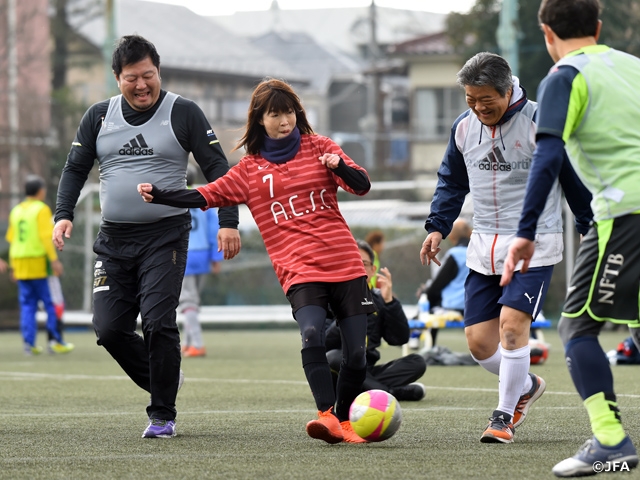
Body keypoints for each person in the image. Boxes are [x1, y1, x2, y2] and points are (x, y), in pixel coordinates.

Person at [137, 77, 374, 444]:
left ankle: (344, 420)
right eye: (276, 114)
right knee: (311, 333)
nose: (285, 121)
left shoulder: (321, 147)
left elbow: (361, 185)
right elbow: (208, 194)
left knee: (356, 355)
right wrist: (162, 195)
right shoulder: (249, 170)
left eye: (290, 112)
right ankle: (327, 416)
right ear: (260, 120)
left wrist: (338, 166)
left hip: (345, 262)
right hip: (299, 270)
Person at [52, 35, 241, 439]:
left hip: (165, 237)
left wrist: (228, 221)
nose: (142, 85)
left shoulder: (183, 112)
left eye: (149, 76)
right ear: (117, 78)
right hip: (114, 241)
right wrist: (63, 214)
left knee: (158, 322)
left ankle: (162, 414)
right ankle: (165, 377)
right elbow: (73, 169)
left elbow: (218, 169)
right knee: (109, 330)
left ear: (159, 71)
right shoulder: (99, 116)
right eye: (132, 78)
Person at [419, 51, 593, 444]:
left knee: (513, 329)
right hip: (484, 246)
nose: (478, 108)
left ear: (507, 88)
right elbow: (451, 181)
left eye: (486, 100)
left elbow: (573, 180)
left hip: (534, 243)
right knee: (480, 344)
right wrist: (437, 227)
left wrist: (588, 228)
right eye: (470, 100)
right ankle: (525, 385)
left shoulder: (539, 121)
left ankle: (503, 416)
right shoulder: (463, 127)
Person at [501, 0, 639, 474]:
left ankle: (610, 440)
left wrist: (524, 232)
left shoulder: (565, 76)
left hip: (624, 215)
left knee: (577, 326)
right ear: (599, 28)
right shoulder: (633, 67)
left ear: (546, 33)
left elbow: (549, 153)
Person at [325, 240, 427, 401]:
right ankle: (390, 393)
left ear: (372, 270)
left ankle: (369, 389)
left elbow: (399, 339)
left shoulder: (378, 300)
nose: (358, 268)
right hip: (337, 372)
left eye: (363, 263)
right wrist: (347, 312)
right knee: (333, 357)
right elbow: (323, 343)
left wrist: (390, 302)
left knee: (418, 361)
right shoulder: (329, 299)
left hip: (368, 372)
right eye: (352, 263)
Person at [6, 176, 74, 355]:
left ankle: (29, 345)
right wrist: (54, 260)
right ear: (41, 191)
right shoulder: (41, 209)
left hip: (20, 261)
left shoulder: (16, 210)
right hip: (38, 261)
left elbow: (12, 239)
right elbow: (45, 237)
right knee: (50, 302)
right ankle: (55, 341)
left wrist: (13, 266)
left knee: (28, 305)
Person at [179, 166, 224, 358]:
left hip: (185, 254)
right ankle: (188, 342)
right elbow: (214, 228)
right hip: (203, 254)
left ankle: (197, 344)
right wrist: (216, 257)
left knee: (187, 301)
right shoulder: (203, 196)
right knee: (193, 300)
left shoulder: (173, 198)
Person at [420, 217, 471, 346]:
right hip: (473, 306)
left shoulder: (454, 254)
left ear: (452, 238)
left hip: (451, 307)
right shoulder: (478, 253)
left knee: (428, 298)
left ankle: (428, 345)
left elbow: (437, 285)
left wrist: (425, 292)